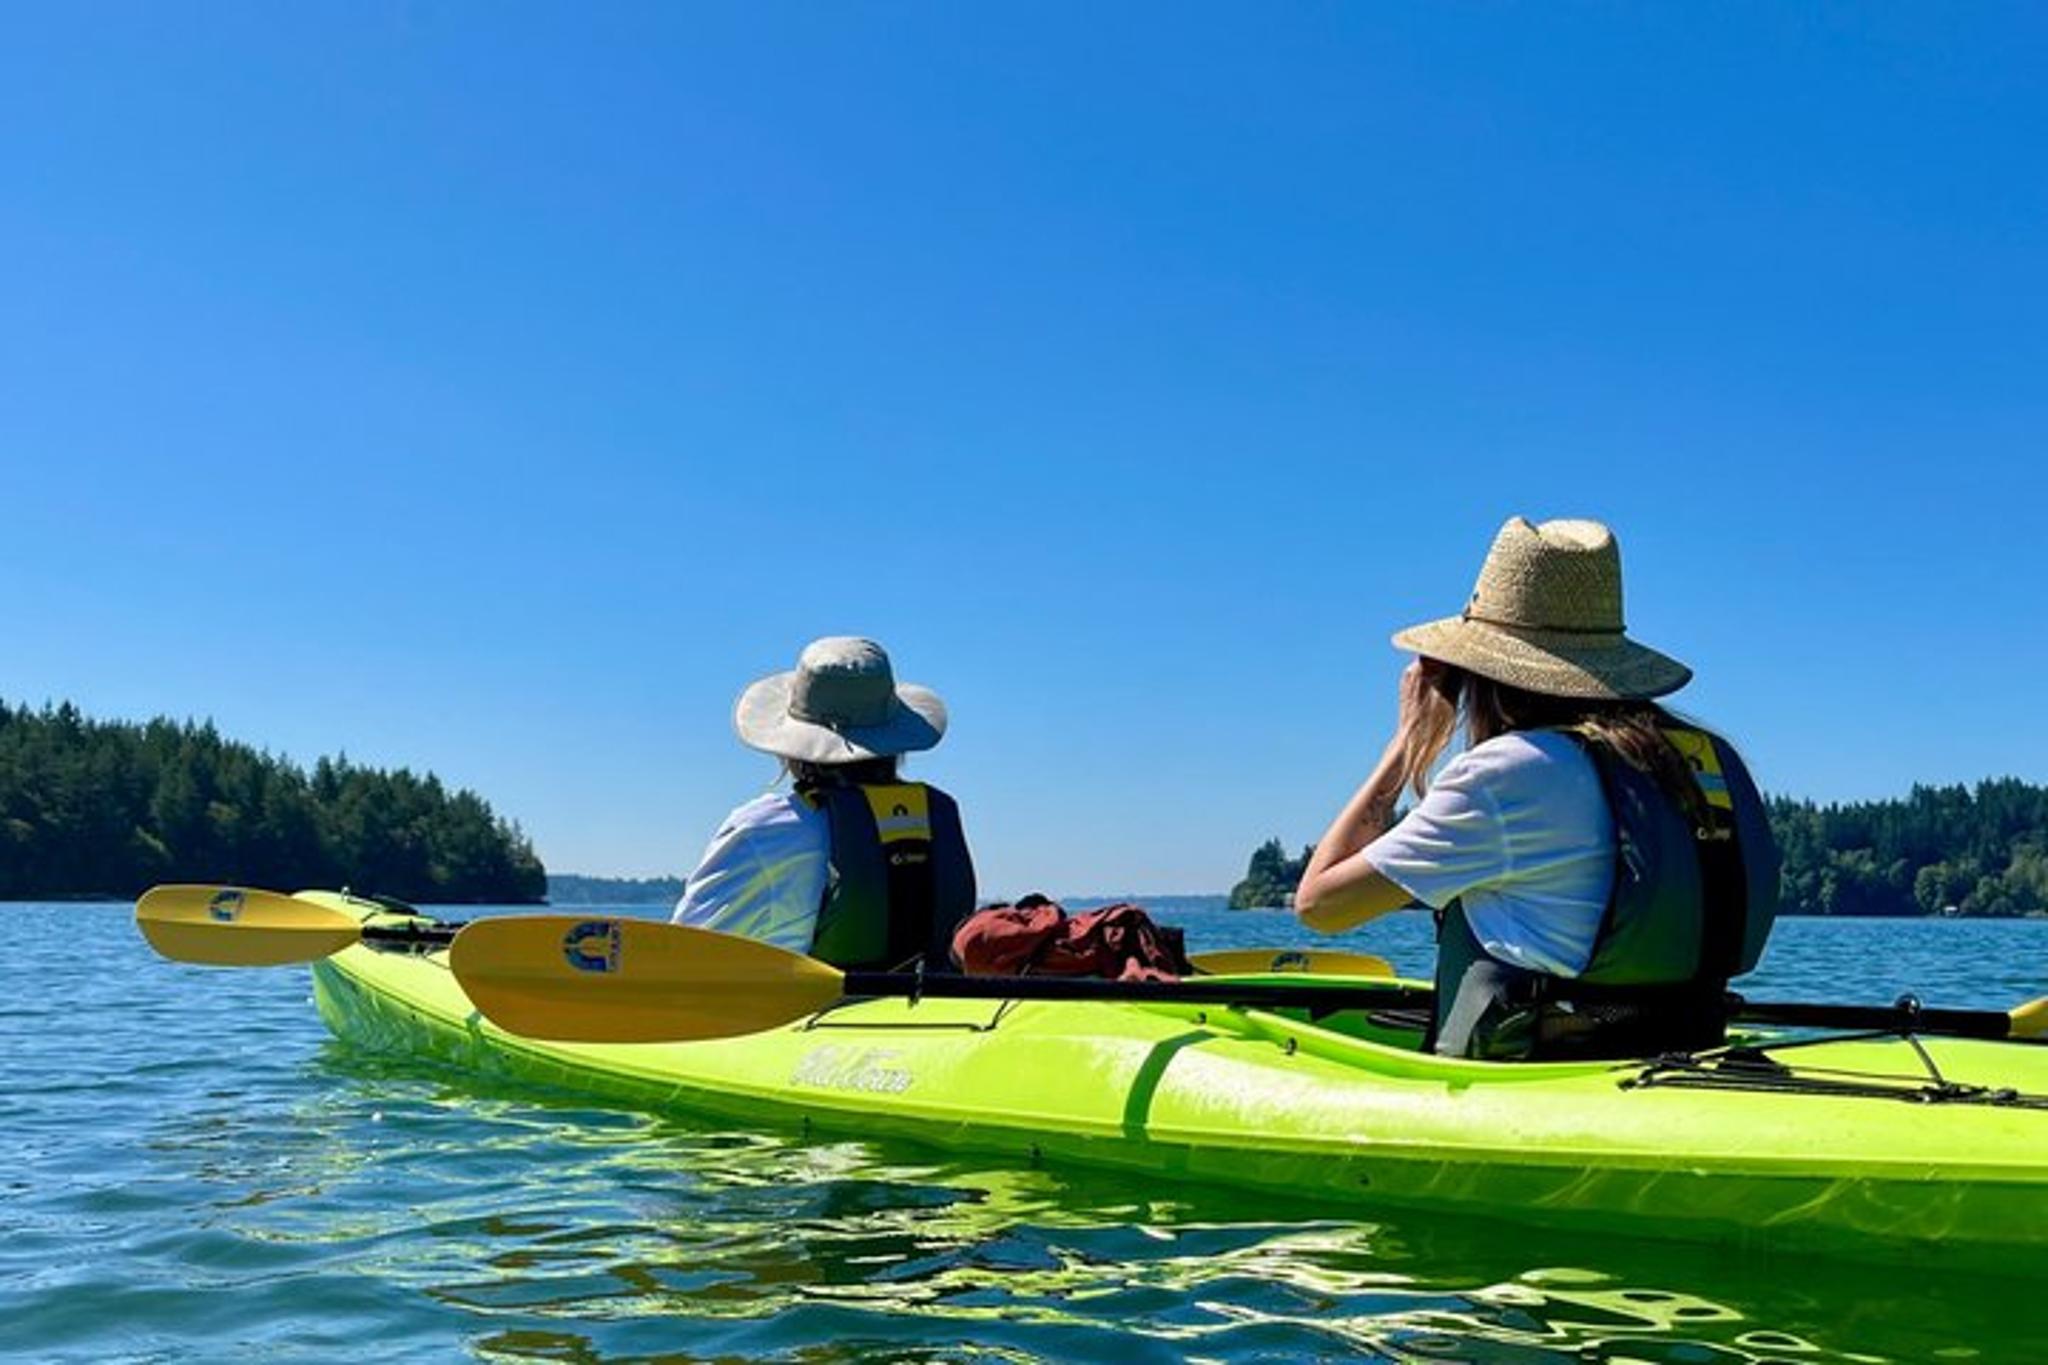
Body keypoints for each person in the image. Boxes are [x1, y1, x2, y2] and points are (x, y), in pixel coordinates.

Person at [1292, 517, 1779, 1060]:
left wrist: (1406, 742)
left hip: (1537, 1072)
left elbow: (1320, 905)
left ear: (1478, 672)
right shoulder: (1709, 758)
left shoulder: (1505, 774)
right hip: (1688, 1042)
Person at [673, 636, 976, 972]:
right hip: (934, 1014)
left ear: (793, 746)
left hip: (812, 1016)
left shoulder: (763, 829)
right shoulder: (938, 816)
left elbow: (685, 953)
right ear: (894, 740)